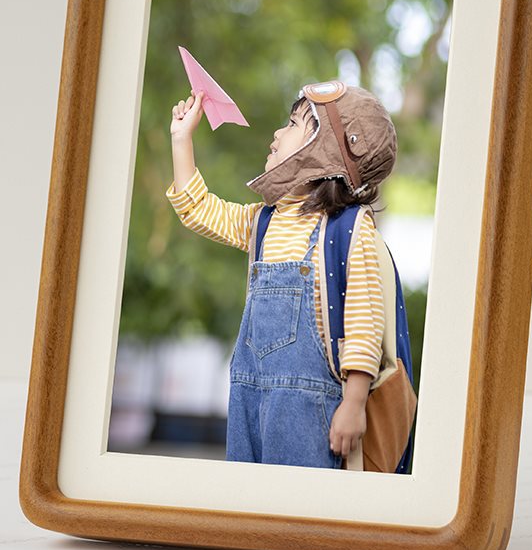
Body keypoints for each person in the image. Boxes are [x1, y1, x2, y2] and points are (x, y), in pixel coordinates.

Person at [166, 80, 398, 470]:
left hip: (309, 408)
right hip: (249, 396)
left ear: (327, 148)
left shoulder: (347, 230)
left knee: (298, 504)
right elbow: (199, 210)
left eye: (292, 124)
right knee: (245, 498)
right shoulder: (264, 221)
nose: (277, 133)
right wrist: (180, 139)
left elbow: (364, 320)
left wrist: (354, 403)